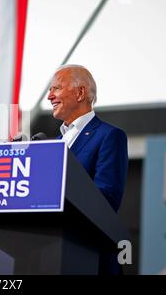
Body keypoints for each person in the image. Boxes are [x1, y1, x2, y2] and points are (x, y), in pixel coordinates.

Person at [47, 64, 128, 274]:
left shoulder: (109, 136)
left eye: (56, 88)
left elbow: (107, 197)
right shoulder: (55, 143)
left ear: (80, 92)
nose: (49, 96)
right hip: (48, 251)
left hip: (89, 255)